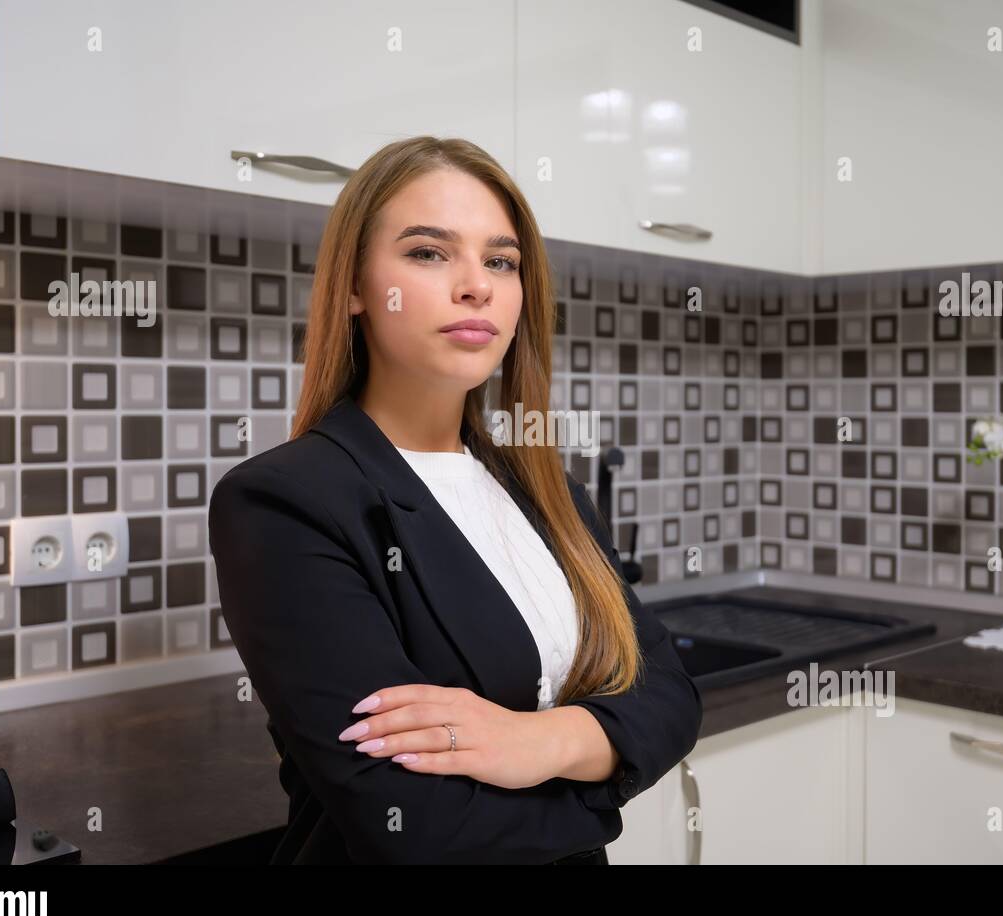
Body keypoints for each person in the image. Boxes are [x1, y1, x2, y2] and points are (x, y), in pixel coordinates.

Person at [207, 135, 703, 864]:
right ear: (354, 287)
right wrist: (607, 770)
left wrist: (537, 741)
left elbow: (672, 696)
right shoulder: (285, 502)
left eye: (501, 261)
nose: (478, 285)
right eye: (430, 253)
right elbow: (416, 822)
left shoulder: (549, 492)